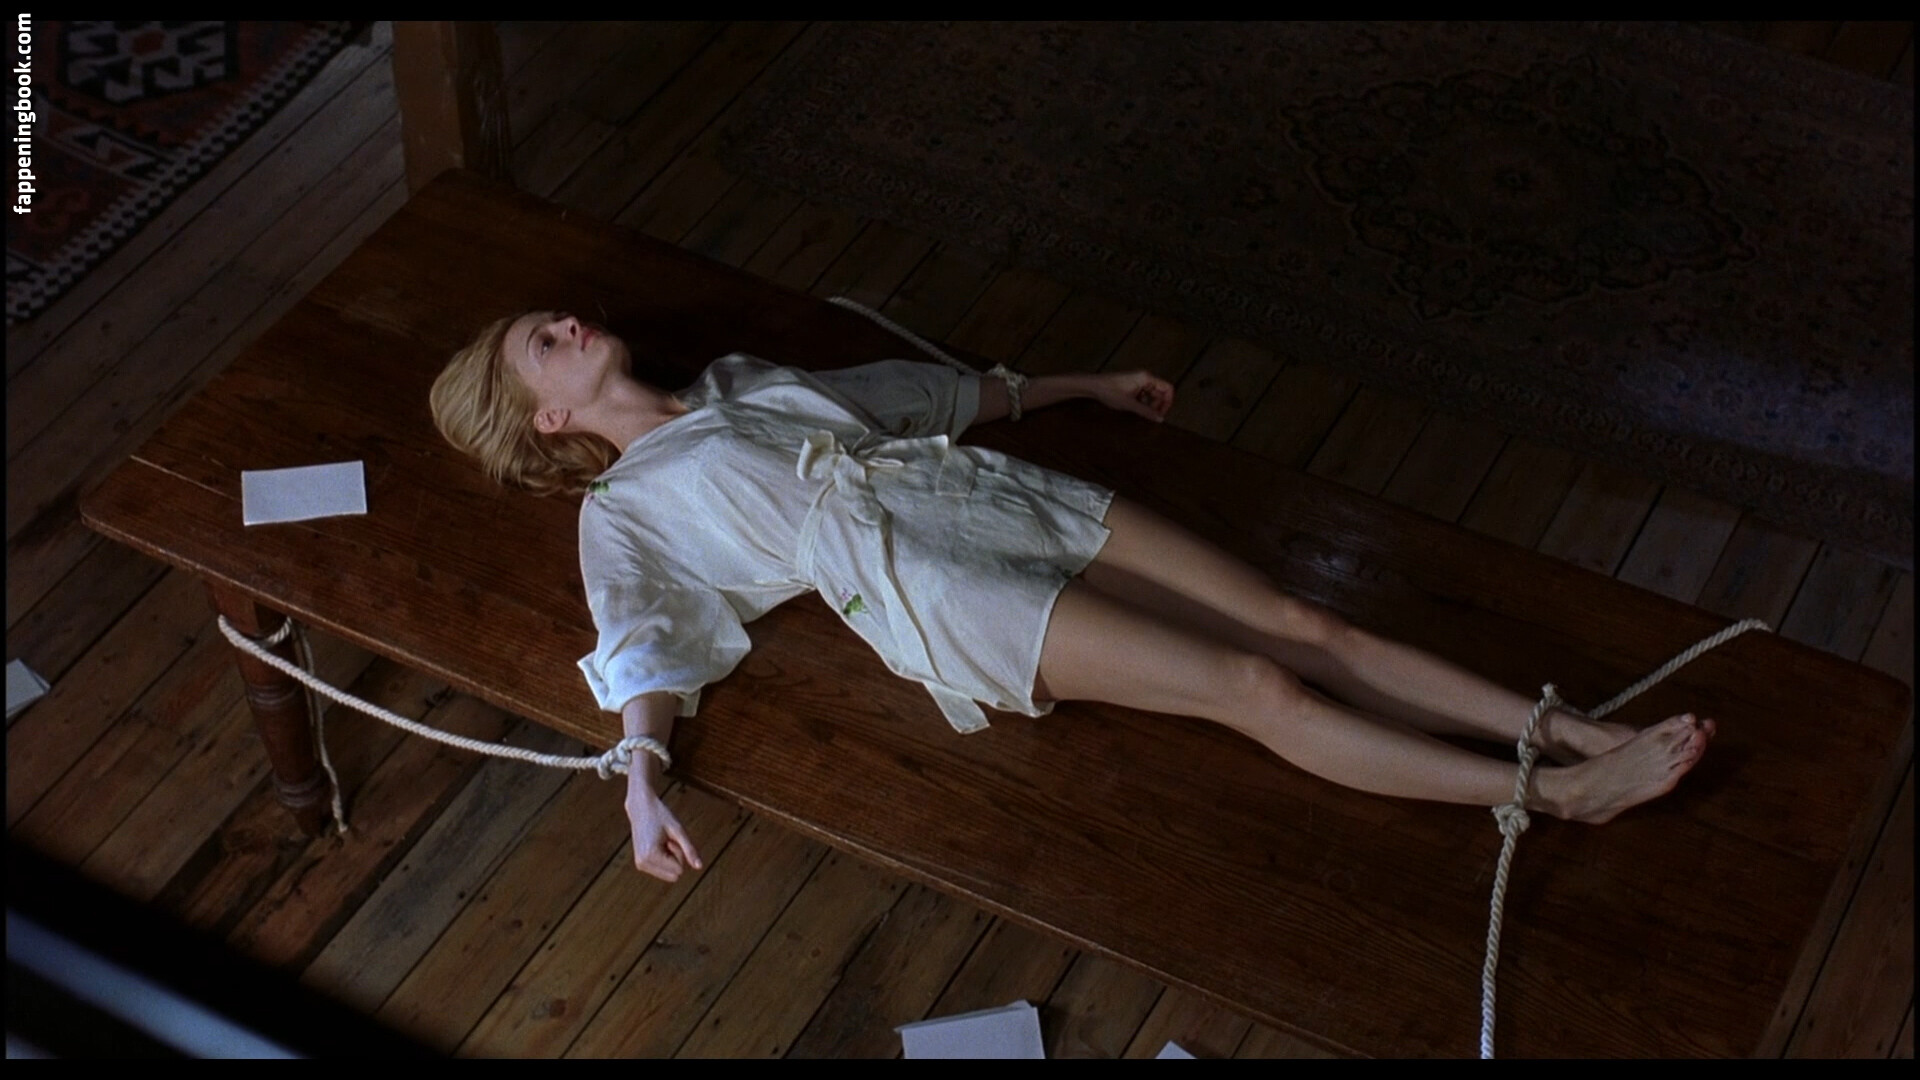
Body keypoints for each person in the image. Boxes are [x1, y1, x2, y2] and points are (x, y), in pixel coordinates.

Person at [431, 310, 1716, 884]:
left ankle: (1574, 730)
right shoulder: (623, 511)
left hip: (988, 496)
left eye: (555, 318)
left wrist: (1070, 387)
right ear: (549, 419)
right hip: (933, 586)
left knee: (1305, 622)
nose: (569, 323)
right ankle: (1557, 796)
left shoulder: (731, 380)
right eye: (546, 343)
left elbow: (897, 398)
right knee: (1255, 684)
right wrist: (641, 778)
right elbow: (646, 644)